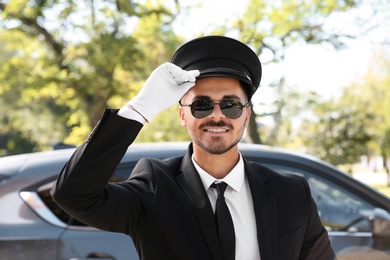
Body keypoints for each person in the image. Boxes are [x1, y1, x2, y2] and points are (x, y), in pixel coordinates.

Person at [52, 35, 335, 260]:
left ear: (246, 114)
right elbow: (72, 194)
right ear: (182, 115)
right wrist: (139, 109)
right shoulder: (154, 186)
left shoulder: (291, 193)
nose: (217, 115)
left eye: (231, 105)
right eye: (200, 105)